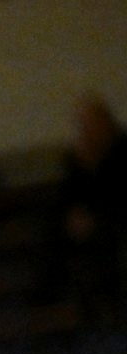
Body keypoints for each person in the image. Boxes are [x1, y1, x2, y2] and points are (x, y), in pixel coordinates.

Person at [40, 94, 125, 316]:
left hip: (115, 217)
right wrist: (75, 214)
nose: (89, 130)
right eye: (84, 125)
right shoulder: (77, 158)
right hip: (90, 219)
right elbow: (70, 194)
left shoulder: (122, 151)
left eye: (93, 124)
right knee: (55, 231)